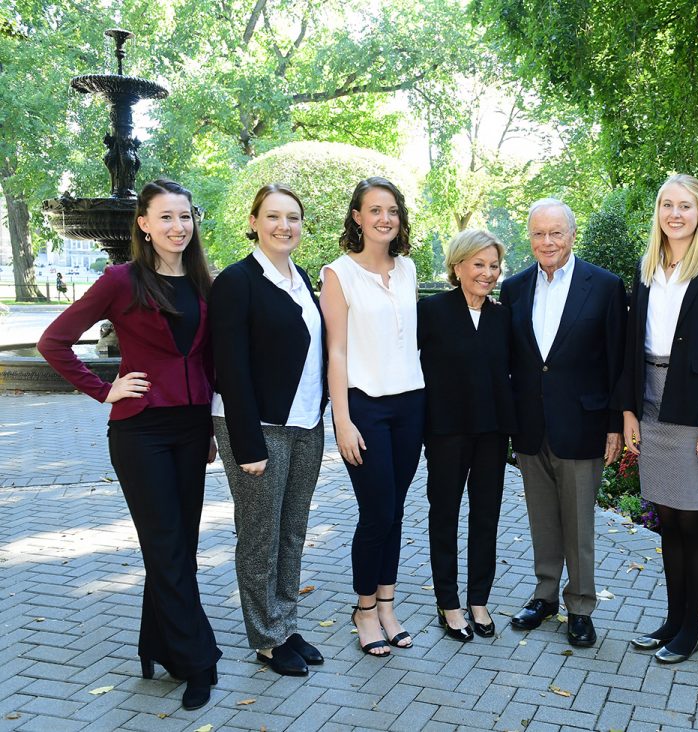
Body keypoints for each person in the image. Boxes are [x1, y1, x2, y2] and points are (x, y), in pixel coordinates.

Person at [37, 179, 221, 711]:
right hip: (140, 431)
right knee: (164, 545)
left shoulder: (204, 281)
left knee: (178, 545)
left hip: (190, 430)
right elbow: (54, 341)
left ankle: (155, 645)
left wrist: (209, 429)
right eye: (165, 217)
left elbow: (208, 361)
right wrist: (103, 388)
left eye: (184, 217)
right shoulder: (120, 280)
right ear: (143, 224)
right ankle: (196, 661)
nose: (177, 227)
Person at [618, 175, 698, 664]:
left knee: (693, 519)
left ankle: (690, 630)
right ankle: (671, 619)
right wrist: (628, 409)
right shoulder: (647, 265)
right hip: (650, 398)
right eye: (667, 205)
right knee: (667, 518)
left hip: (694, 405)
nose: (675, 214)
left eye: (684, 206)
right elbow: (633, 343)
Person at [209, 184, 327, 677]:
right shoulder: (237, 281)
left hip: (306, 424)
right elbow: (229, 366)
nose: (285, 226)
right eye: (274, 216)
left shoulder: (301, 278)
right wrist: (246, 442)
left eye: (293, 217)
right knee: (259, 535)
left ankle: (286, 622)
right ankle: (266, 637)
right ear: (254, 221)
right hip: (257, 427)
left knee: (292, 532)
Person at [500, 198, 626, 647]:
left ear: (572, 235)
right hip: (532, 424)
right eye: (539, 234)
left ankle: (580, 605)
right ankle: (545, 594)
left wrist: (614, 423)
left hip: (583, 424)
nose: (547, 241)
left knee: (579, 523)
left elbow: (618, 361)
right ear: (529, 238)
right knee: (542, 518)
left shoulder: (605, 286)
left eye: (556, 233)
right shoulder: (513, 289)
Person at [320, 177, 424, 657]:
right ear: (357, 217)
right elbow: (335, 351)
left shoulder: (407, 270)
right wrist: (342, 419)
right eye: (375, 209)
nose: (386, 218)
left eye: (393, 210)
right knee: (376, 510)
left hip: (410, 405)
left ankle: (387, 604)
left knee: (397, 510)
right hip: (365, 407)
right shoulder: (338, 273)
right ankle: (363, 611)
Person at [418, 229, 516, 642]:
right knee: (444, 516)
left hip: (492, 433)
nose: (487, 273)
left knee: (486, 517)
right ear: (457, 266)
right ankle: (448, 603)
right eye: (478, 264)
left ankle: (479, 599)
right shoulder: (431, 311)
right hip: (445, 432)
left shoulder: (502, 316)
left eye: (493, 266)